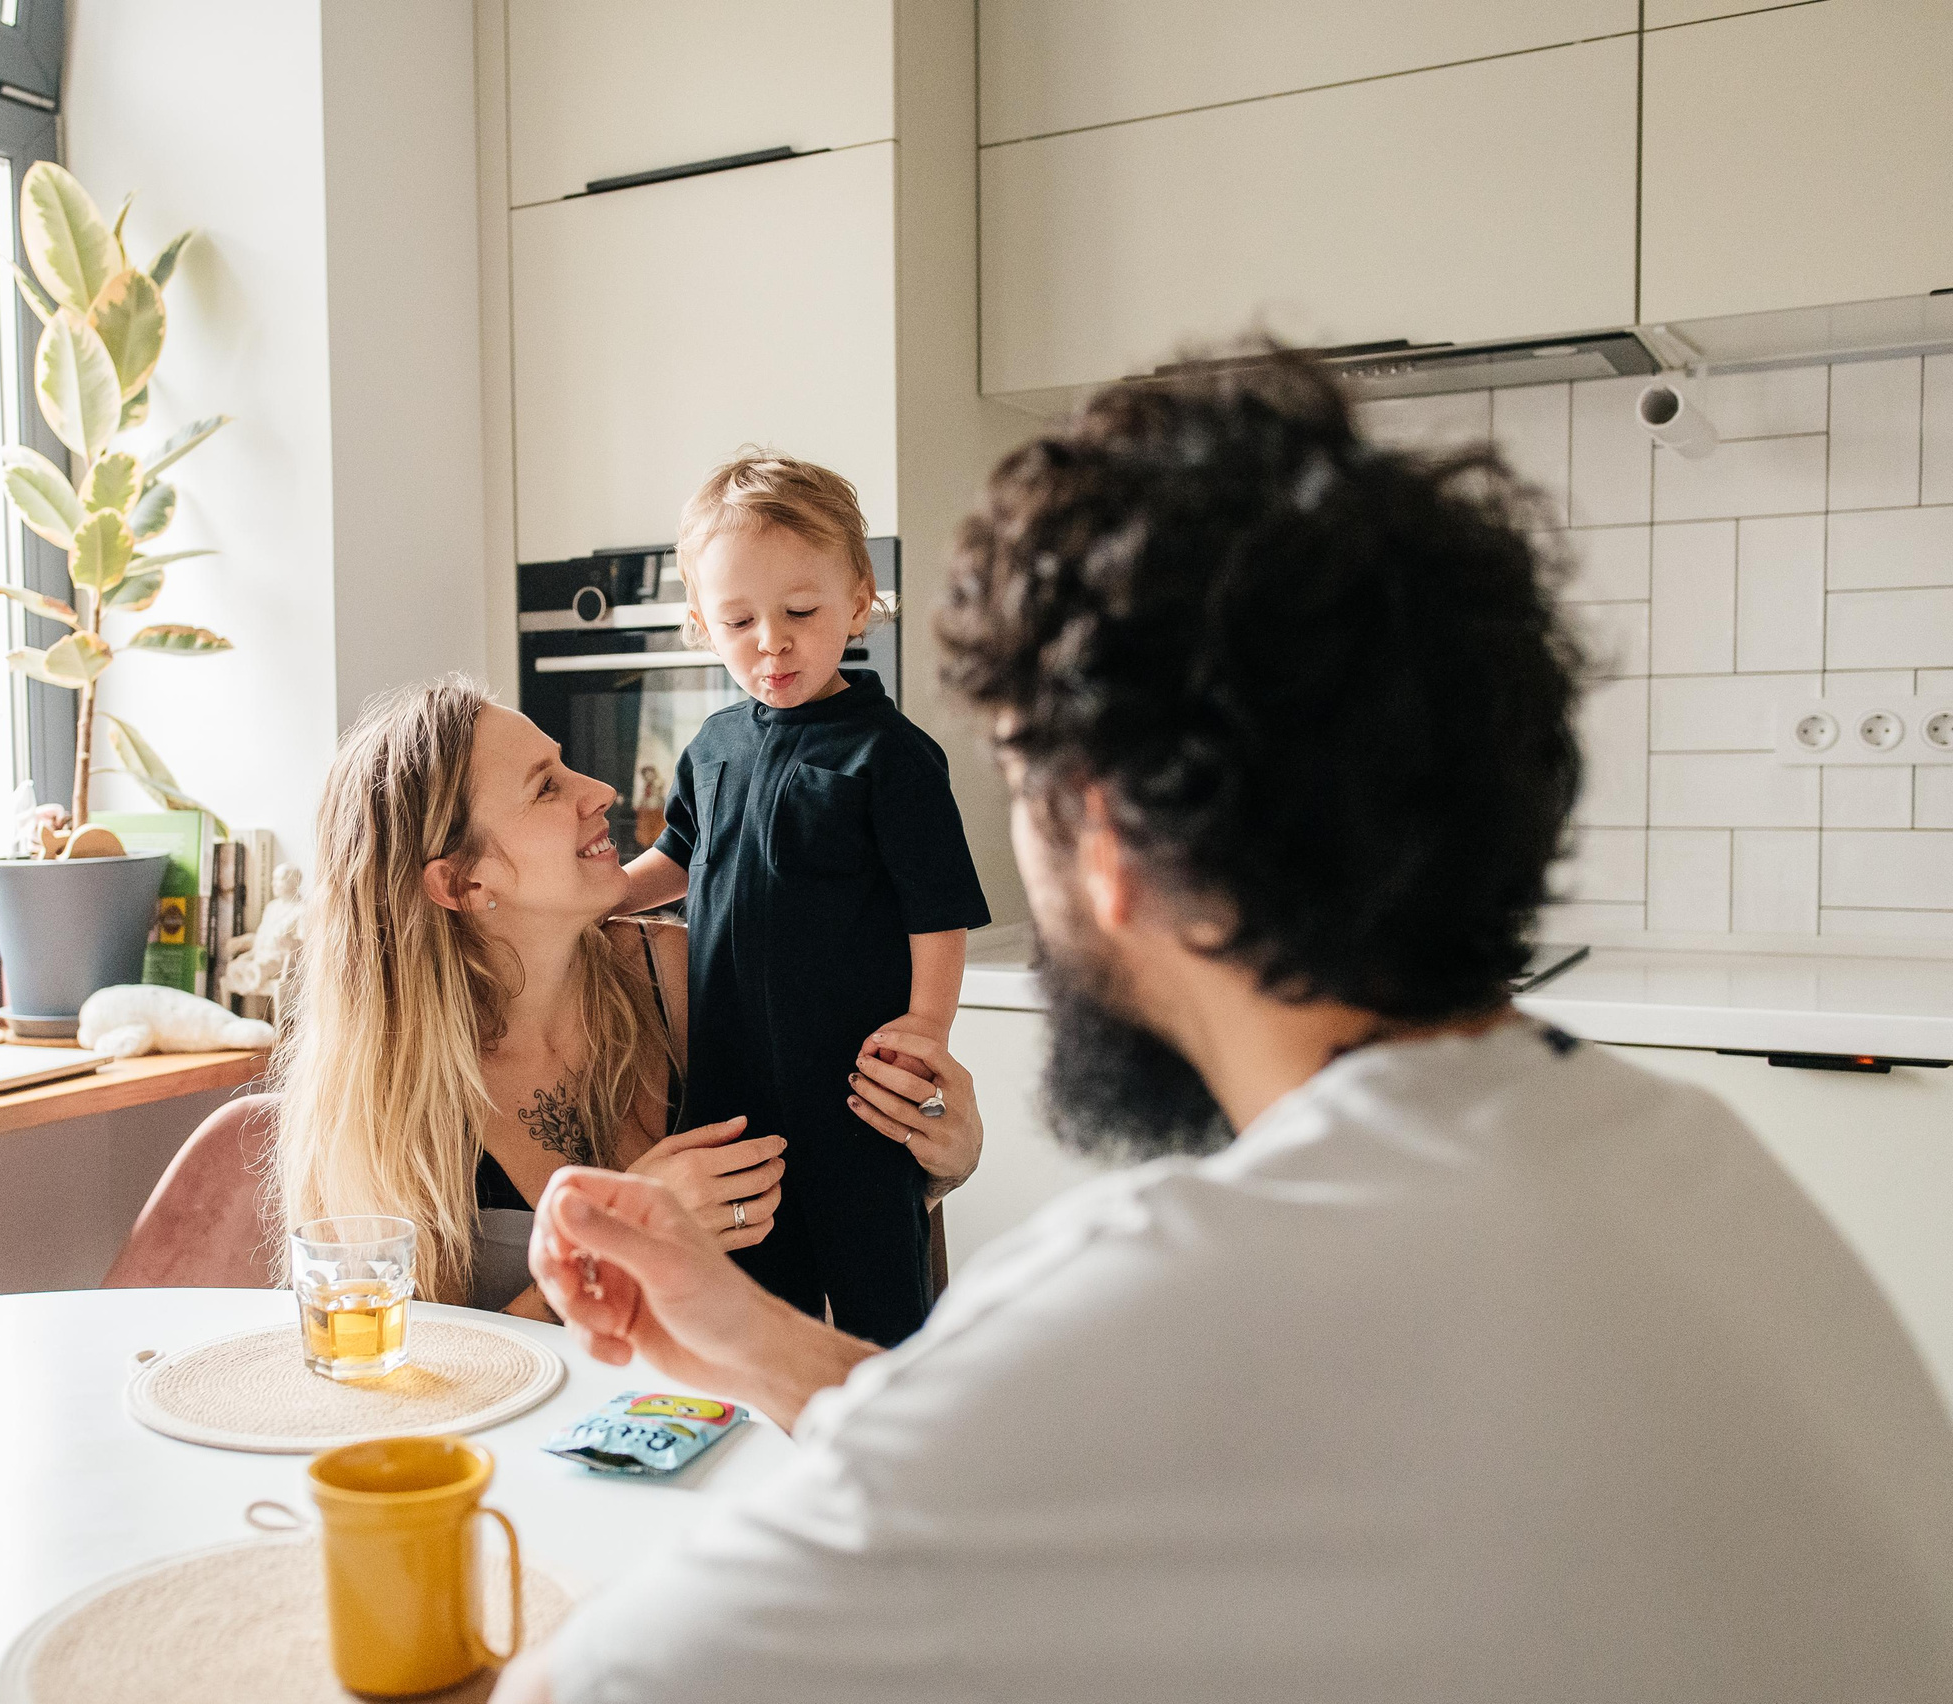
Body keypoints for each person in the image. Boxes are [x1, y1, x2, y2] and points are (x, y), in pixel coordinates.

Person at [498, 353, 1953, 1701]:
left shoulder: (1168, 1294)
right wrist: (757, 1344)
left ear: (1109, 845)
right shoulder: (1693, 1164)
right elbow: (1010, 1464)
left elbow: (594, 1686)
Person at [269, 678, 983, 1317]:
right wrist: (622, 1240)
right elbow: (408, 1381)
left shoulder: (682, 975)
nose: (600, 790)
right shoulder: (382, 1106)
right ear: (461, 883)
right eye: (546, 786)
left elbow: (834, 1195)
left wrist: (938, 1159)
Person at [619, 452, 991, 1346]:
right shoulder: (710, 746)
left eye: (800, 612)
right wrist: (598, 899)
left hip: (855, 1096)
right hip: (731, 1091)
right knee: (752, 1304)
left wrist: (927, 1033)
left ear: (858, 602)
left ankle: (893, 1441)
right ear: (703, 623)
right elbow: (675, 856)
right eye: (740, 620)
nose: (772, 642)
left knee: (880, 1307)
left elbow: (936, 913)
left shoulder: (891, 757)